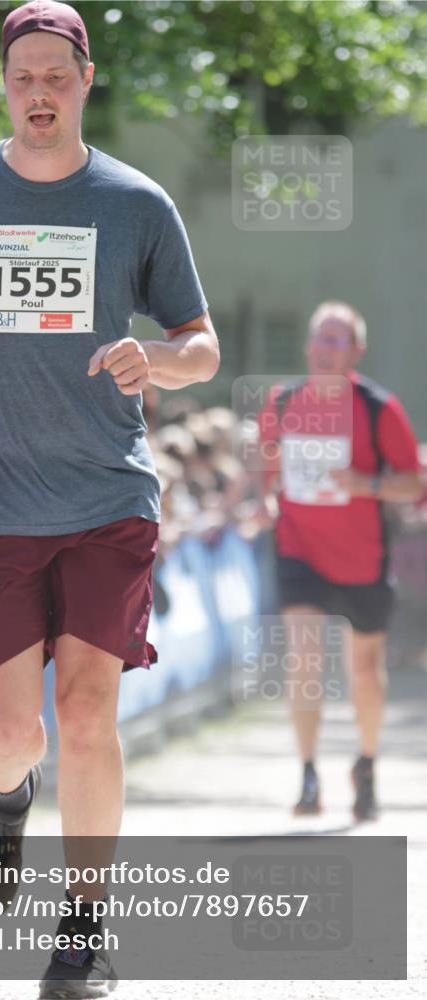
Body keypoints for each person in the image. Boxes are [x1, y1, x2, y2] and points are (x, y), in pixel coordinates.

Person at [0, 2, 219, 995]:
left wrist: (154, 358)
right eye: (22, 75)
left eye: (55, 76)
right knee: (6, 733)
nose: (39, 91)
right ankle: (5, 800)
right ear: (4, 83)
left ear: (85, 80)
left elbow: (201, 349)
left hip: (106, 497)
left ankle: (81, 934)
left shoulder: (135, 202)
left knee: (84, 711)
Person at [257, 301, 422, 821]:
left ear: (356, 351)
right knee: (304, 657)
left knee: (364, 672)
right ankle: (308, 772)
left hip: (363, 559)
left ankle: (366, 762)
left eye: (337, 341)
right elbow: (266, 465)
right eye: (319, 339)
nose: (325, 349)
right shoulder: (282, 402)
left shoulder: (378, 407)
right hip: (299, 548)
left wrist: (365, 485)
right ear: (308, 347)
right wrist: (263, 500)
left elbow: (414, 482)